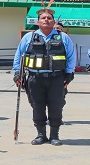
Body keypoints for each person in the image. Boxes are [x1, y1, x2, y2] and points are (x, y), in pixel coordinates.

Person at [13, 8, 76, 146]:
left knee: (56, 106)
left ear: (53, 21)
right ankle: (41, 135)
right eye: (43, 18)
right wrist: (17, 73)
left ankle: (54, 135)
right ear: (38, 22)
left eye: (49, 18)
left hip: (56, 78)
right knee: (37, 106)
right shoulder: (28, 37)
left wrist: (69, 73)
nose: (46, 20)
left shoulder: (63, 37)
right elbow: (19, 56)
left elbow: (71, 56)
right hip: (35, 78)